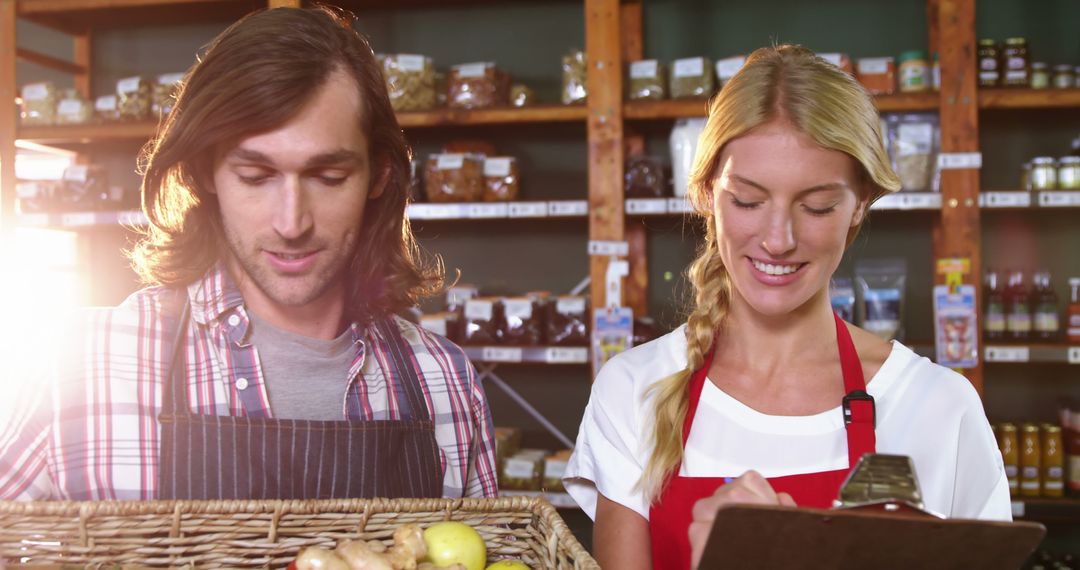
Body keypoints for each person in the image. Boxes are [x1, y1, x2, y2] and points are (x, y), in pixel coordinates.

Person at [0, 6, 498, 501]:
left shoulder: (445, 384)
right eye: (255, 177)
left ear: (380, 176)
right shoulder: (78, 369)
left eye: (329, 177)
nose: (291, 222)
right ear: (203, 172)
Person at [563, 44, 1010, 570]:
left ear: (858, 204)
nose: (778, 240)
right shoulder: (633, 390)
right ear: (708, 193)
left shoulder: (939, 408)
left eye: (817, 206)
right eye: (748, 201)